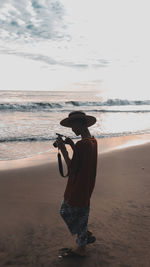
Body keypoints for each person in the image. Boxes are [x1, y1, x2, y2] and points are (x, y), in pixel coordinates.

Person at [56, 110, 97, 257]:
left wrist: (63, 150)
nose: (72, 129)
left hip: (77, 185)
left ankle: (81, 247)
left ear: (81, 123)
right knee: (82, 214)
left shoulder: (83, 145)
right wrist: (72, 145)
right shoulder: (92, 141)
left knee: (65, 211)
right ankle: (84, 235)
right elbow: (83, 161)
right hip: (86, 185)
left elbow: (73, 168)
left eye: (74, 125)